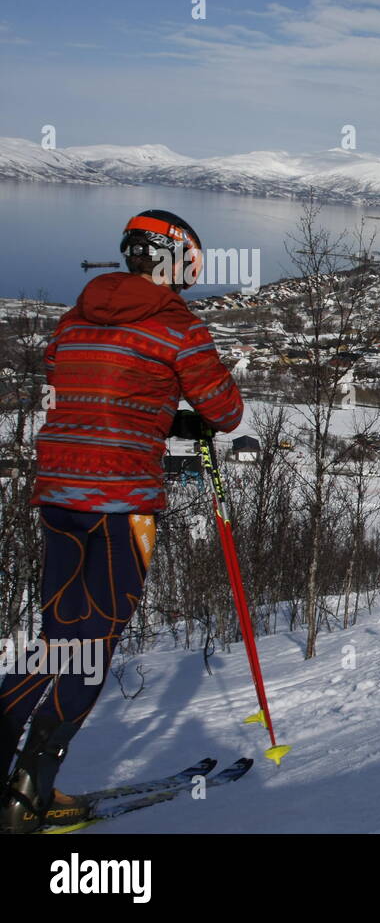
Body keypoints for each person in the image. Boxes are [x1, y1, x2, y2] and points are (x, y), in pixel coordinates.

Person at [0, 210, 243, 834]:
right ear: (176, 260)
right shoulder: (177, 324)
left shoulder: (74, 318)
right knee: (93, 642)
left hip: (57, 497)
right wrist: (176, 410)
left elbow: (83, 389)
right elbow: (225, 410)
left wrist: (151, 412)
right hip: (121, 502)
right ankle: (29, 797)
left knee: (58, 634)